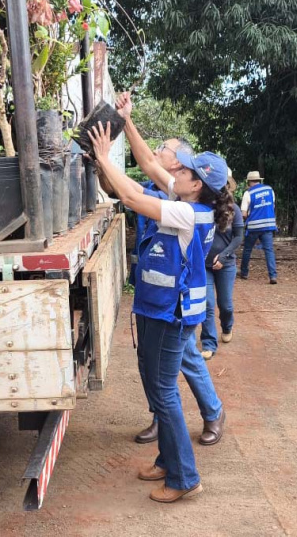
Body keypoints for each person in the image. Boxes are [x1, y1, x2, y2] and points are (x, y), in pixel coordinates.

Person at [88, 118, 233, 503]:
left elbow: (134, 198)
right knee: (156, 385)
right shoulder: (186, 199)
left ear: (197, 183)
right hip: (159, 307)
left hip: (175, 314)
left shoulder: (188, 214)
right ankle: (168, 462)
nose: (174, 170)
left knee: (165, 392)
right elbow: (148, 169)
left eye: (183, 170)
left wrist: (104, 159)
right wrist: (128, 121)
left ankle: (185, 477)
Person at [197, 173, 244, 359]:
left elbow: (239, 237)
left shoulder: (234, 210)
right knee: (207, 303)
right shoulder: (202, 208)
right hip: (204, 265)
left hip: (226, 264)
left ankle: (227, 326)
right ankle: (208, 342)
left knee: (225, 305)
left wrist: (223, 256)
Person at [239, 171, 278, 284]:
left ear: (249, 181)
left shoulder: (248, 193)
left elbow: (243, 213)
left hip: (254, 227)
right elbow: (272, 205)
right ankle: (273, 276)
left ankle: (244, 273)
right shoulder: (270, 190)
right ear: (259, 180)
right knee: (269, 250)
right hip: (268, 225)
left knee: (247, 250)